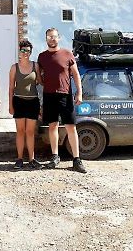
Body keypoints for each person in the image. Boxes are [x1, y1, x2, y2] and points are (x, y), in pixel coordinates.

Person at [38, 27, 87, 173]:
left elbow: (76, 74)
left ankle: (77, 160)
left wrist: (79, 93)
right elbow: (39, 76)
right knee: (52, 126)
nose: (52, 39)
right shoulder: (42, 57)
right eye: (49, 37)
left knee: (71, 127)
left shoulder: (67, 54)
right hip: (49, 96)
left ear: (58, 38)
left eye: (54, 37)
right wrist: (43, 83)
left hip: (65, 95)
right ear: (46, 39)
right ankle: (55, 157)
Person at [8, 39, 43, 170]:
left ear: (30, 52)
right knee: (20, 131)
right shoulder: (14, 67)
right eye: (23, 50)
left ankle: (32, 159)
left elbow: (40, 82)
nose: (25, 53)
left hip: (33, 102)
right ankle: (19, 159)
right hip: (19, 101)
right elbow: (11, 88)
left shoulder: (35, 66)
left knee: (30, 131)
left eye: (28, 51)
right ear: (19, 51)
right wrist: (11, 105)